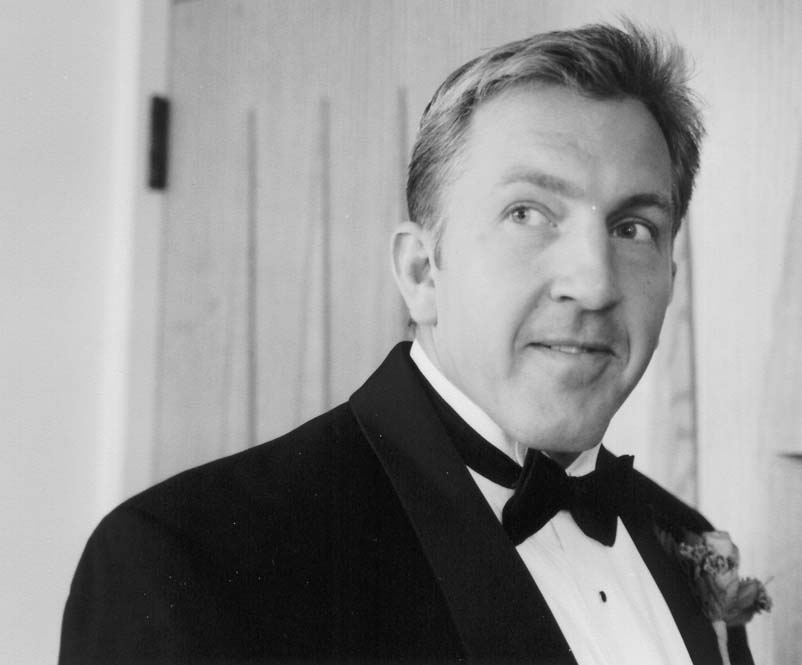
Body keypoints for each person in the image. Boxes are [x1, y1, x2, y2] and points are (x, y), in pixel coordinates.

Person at [60, 23, 755, 665]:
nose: (594, 283)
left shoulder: (680, 533)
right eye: (528, 213)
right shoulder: (188, 559)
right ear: (422, 272)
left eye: (633, 229)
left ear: (670, 278)